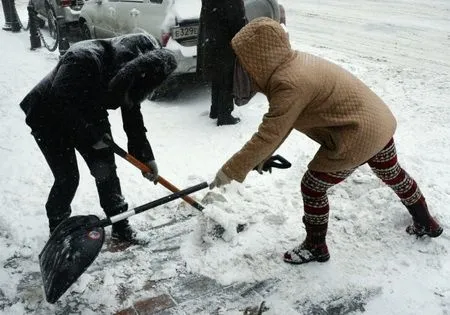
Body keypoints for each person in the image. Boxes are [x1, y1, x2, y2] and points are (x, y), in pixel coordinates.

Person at [209, 17, 443, 264]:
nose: (241, 68)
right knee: (392, 172)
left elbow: (269, 134)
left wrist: (229, 173)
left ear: (258, 59)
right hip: (377, 122)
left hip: (357, 133)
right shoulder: (295, 63)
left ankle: (315, 246)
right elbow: (280, 127)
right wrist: (260, 158)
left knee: (312, 187)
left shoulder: (288, 84)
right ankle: (425, 221)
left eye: (244, 61)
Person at [20, 33, 177, 242]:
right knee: (67, 178)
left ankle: (120, 225)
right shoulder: (83, 57)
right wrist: (91, 135)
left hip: (88, 112)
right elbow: (60, 100)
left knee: (106, 170)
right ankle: (57, 232)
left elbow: (133, 117)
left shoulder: (130, 75)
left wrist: (145, 158)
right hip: (47, 116)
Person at [196, 0, 246, 126]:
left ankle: (215, 109)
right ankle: (225, 115)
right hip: (225, 41)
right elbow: (237, 20)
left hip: (211, 39)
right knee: (227, 78)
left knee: (217, 77)